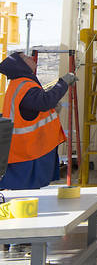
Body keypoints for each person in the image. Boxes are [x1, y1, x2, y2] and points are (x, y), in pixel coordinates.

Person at [0, 50, 76, 189]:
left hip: (26, 149)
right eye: (25, 57)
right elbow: (44, 102)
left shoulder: (19, 84)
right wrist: (63, 83)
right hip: (29, 151)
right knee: (25, 192)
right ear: (20, 65)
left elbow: (34, 108)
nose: (30, 57)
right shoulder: (25, 86)